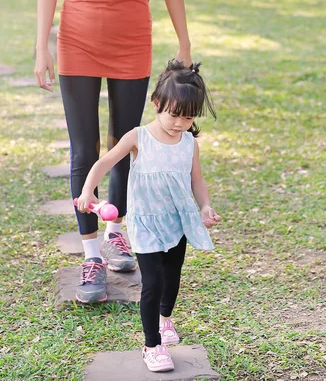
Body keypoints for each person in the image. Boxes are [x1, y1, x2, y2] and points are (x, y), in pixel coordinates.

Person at [34, 0, 195, 304]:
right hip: (78, 37)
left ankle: (115, 232)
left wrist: (184, 43)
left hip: (132, 38)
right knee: (83, 150)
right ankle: (91, 257)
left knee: (123, 143)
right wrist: (41, 47)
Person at [76, 60, 221, 372]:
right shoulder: (138, 137)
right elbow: (105, 163)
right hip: (145, 223)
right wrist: (89, 191)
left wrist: (205, 206)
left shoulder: (188, 143)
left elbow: (197, 180)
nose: (180, 123)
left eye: (188, 117)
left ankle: (165, 320)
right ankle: (152, 345)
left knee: (172, 280)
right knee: (152, 283)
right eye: (174, 114)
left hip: (177, 221)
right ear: (157, 104)